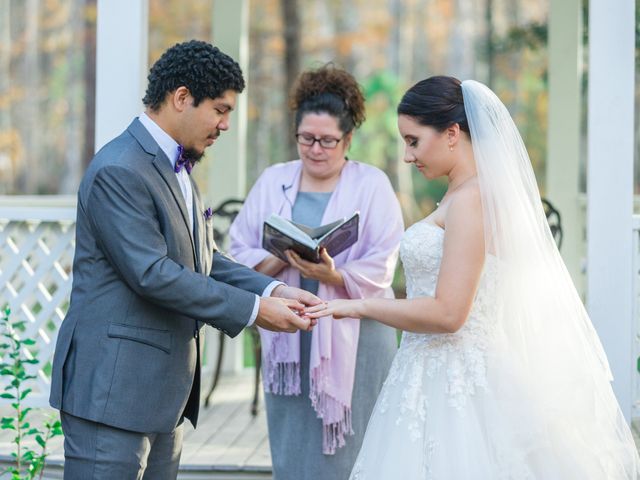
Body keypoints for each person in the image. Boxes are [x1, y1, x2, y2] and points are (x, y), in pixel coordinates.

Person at [307, 76, 640, 479]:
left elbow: (449, 313)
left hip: (460, 382)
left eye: (413, 141)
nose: (408, 156)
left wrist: (357, 305)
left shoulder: (473, 199)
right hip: (426, 374)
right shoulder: (458, 194)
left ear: (451, 134)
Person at [49, 40, 320, 480]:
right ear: (180, 98)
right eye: (219, 109)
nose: (226, 124)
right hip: (112, 395)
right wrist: (254, 311)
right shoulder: (120, 168)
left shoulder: (176, 166)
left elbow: (203, 258)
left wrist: (273, 288)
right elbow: (153, 274)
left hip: (163, 397)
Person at [229, 64, 404, 479]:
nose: (316, 149)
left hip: (357, 335)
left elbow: (385, 259)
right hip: (291, 329)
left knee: (358, 442)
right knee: (294, 441)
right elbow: (237, 250)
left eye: (328, 140)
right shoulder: (274, 180)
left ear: (348, 139)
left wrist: (331, 274)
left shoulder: (372, 184)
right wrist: (280, 258)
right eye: (306, 138)